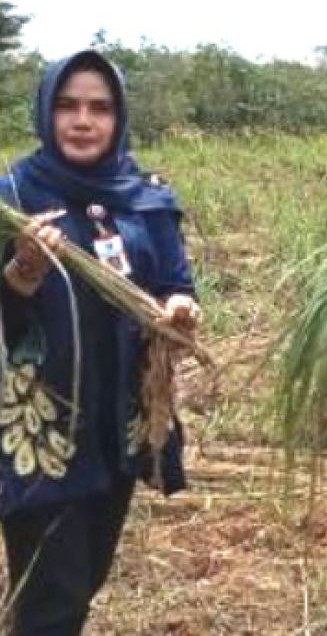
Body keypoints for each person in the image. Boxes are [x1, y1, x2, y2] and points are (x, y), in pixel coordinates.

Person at [0, 49, 200, 635]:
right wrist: (23, 272)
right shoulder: (14, 195)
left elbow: (174, 284)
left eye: (99, 107)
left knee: (84, 580)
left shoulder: (145, 196)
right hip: (43, 432)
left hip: (119, 426)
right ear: (45, 112)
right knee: (52, 600)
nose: (83, 120)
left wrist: (180, 310)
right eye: (67, 106)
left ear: (119, 117)